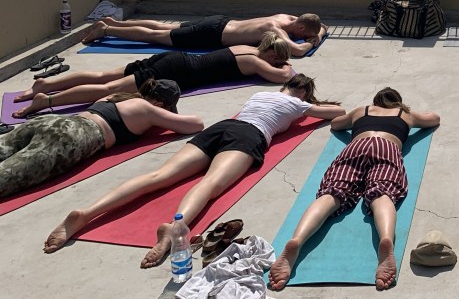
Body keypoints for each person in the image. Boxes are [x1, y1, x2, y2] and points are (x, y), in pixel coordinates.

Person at [43, 74, 345, 266]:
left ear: (285, 85)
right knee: (209, 185)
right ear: (303, 93)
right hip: (249, 136)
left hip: (222, 127)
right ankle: (174, 230)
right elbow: (337, 112)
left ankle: (86, 213)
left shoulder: (259, 95)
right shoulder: (299, 105)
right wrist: (309, 105)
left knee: (159, 177)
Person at [268, 87, 440, 291]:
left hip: (357, 146)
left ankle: (297, 240)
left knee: (332, 192)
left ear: (375, 102)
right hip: (387, 147)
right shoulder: (405, 114)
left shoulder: (361, 111)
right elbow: (434, 119)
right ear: (397, 102)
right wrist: (409, 115)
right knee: (381, 192)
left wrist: (354, 119)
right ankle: (386, 238)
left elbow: (336, 124)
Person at [13, 32, 294, 118]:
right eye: (277, 58)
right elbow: (283, 77)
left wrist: (280, 62)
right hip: (174, 70)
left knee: (102, 75)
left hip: (174, 59)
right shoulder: (256, 62)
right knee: (108, 90)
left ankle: (46, 83)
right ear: (270, 53)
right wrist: (285, 68)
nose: (279, 63)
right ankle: (46, 101)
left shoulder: (247, 48)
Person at [1, 79, 202, 198]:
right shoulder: (147, 108)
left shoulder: (119, 96)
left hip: (53, 121)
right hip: (70, 136)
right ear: (159, 105)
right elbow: (195, 124)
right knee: (7, 178)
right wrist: (161, 117)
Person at [80, 12, 327, 57]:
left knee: (164, 26)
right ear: (301, 29)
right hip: (212, 35)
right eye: (305, 34)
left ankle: (115, 23)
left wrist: (320, 29)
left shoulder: (285, 17)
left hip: (220, 21)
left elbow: (316, 24)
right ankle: (107, 29)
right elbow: (297, 51)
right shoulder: (276, 30)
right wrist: (314, 41)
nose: (304, 37)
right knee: (155, 37)